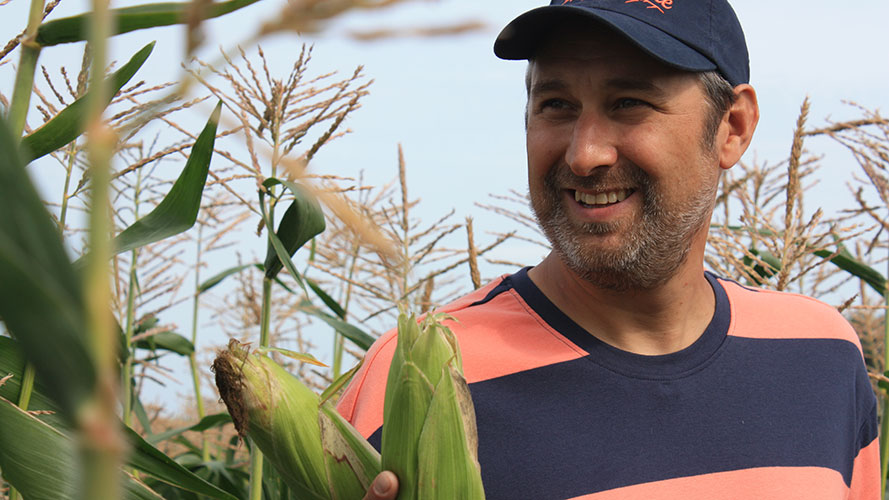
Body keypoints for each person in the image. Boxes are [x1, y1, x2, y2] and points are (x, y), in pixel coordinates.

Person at [351, 0, 881, 498]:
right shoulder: (420, 378)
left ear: (732, 128)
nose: (585, 155)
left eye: (629, 103)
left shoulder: (820, 355)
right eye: (556, 105)